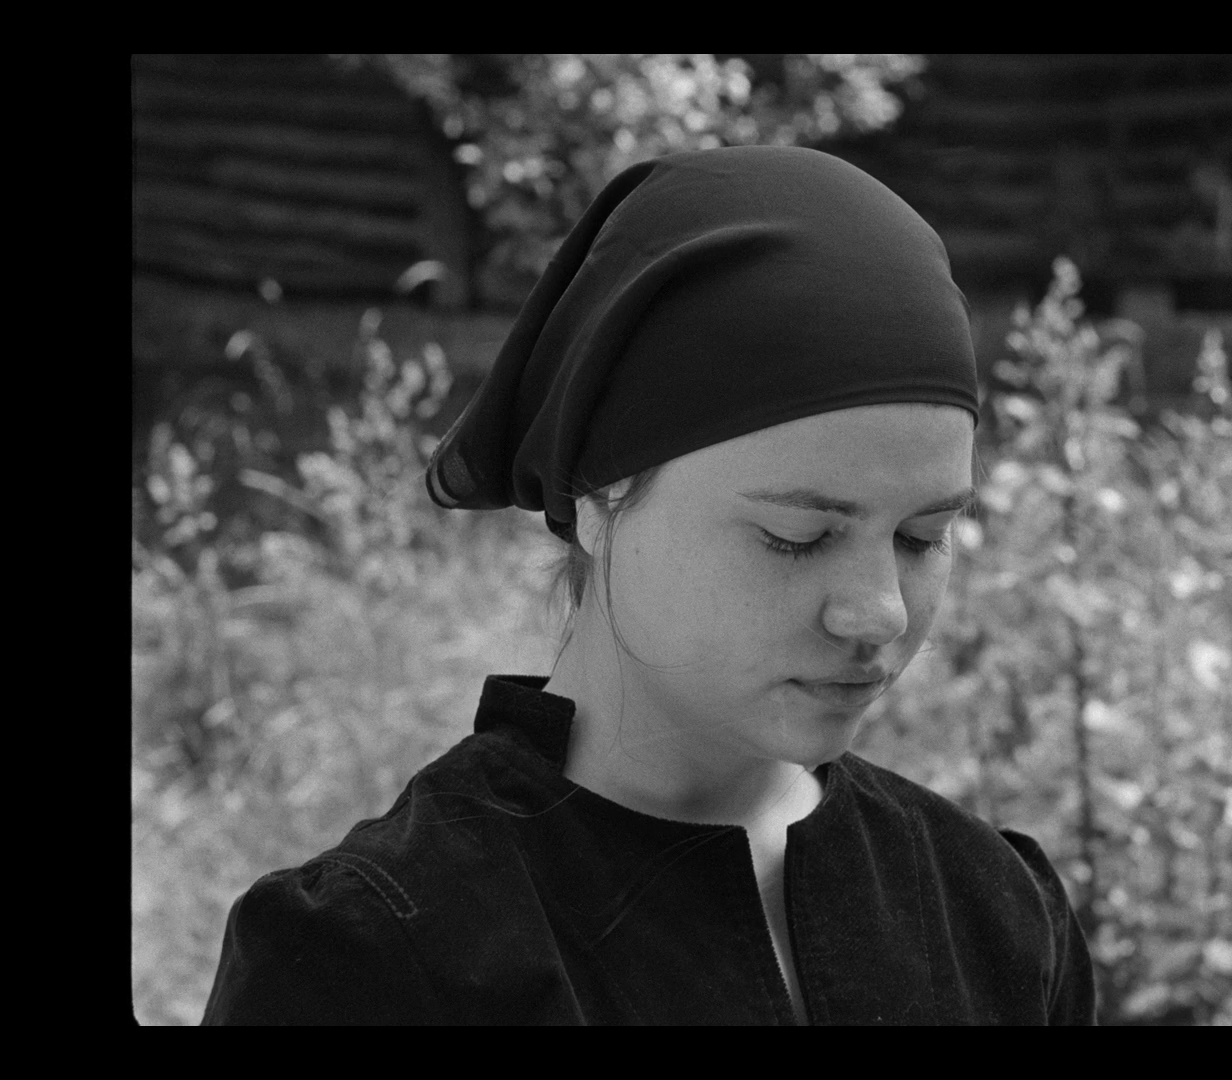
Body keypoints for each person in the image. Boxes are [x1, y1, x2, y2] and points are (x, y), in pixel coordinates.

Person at [201, 145, 1097, 1026]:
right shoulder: (374, 958)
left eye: (922, 537)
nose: (880, 612)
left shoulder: (993, 912)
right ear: (598, 498)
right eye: (796, 537)